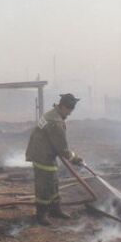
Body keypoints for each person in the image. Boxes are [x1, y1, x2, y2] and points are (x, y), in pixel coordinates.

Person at [25, 93, 84, 226]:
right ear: (63, 106)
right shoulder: (55, 122)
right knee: (44, 186)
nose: (69, 114)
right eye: (69, 110)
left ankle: (55, 210)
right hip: (43, 156)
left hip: (44, 152)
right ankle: (41, 215)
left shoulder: (52, 114)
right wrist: (74, 158)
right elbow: (62, 148)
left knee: (53, 182)